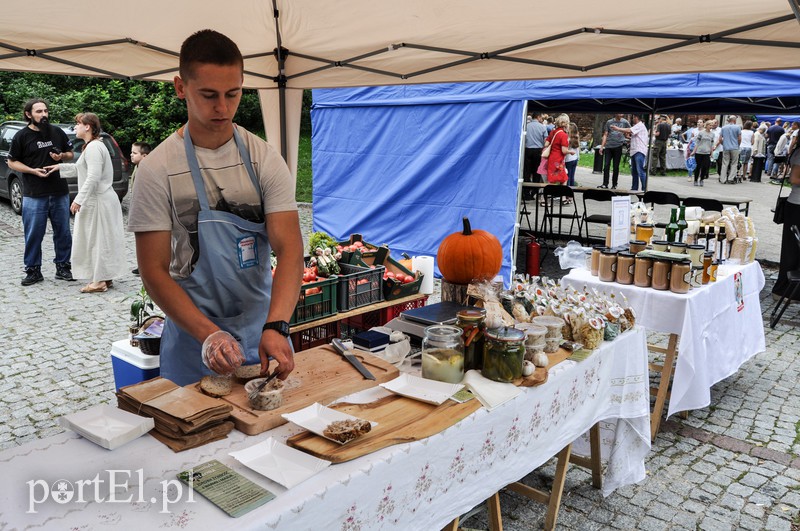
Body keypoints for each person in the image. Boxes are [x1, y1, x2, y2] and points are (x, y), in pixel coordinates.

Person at [128, 29, 304, 386]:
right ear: (181, 88)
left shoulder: (264, 159)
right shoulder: (156, 170)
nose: (222, 107)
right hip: (193, 345)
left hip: (263, 336)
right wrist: (209, 335)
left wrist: (277, 324)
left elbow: (290, 250)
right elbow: (154, 270)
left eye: (233, 93)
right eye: (208, 95)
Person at [45, 113, 126, 293]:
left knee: (97, 239)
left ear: (88, 126)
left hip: (98, 200)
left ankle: (99, 282)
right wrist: (60, 167)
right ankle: (105, 277)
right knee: (101, 239)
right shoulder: (92, 146)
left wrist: (78, 200)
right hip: (101, 199)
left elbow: (93, 176)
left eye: (78, 124)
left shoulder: (94, 147)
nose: (75, 128)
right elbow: (82, 168)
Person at [7, 98, 75, 286]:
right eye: (39, 112)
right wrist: (32, 170)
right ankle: (33, 270)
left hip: (59, 191)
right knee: (34, 233)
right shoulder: (21, 136)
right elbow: (12, 162)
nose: (44, 114)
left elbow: (70, 154)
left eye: (45, 111)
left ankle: (63, 267)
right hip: (33, 193)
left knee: (63, 232)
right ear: (29, 114)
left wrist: (61, 156)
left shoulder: (57, 132)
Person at [772, 146, 800, 303]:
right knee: (792, 250)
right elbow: (794, 179)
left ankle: (792, 291)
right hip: (797, 206)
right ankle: (784, 290)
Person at [129, 141, 151, 276]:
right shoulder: (138, 167)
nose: (131, 155)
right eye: (131, 152)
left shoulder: (147, 170)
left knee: (148, 239)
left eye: (134, 153)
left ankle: (148, 265)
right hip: (139, 208)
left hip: (147, 209)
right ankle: (143, 264)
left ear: (145, 156)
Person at [611, 114, 648, 191]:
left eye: (633, 117)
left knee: (640, 170)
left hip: (639, 150)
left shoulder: (640, 125)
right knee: (634, 171)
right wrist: (630, 138)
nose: (632, 119)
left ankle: (644, 189)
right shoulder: (638, 126)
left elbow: (629, 130)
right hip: (634, 151)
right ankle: (634, 188)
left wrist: (617, 128)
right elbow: (637, 137)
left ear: (636, 117)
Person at [599, 113, 630, 189]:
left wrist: (628, 138)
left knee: (616, 166)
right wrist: (602, 147)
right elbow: (605, 134)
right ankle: (605, 183)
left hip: (618, 146)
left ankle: (614, 184)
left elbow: (629, 131)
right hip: (609, 146)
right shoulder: (609, 122)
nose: (621, 114)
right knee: (606, 165)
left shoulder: (625, 122)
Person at [544, 113, 570, 187]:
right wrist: (570, 152)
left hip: (551, 158)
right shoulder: (563, 135)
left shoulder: (553, 132)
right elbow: (564, 151)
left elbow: (546, 144)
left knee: (551, 179)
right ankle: (563, 196)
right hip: (558, 159)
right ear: (565, 124)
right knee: (564, 178)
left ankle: (545, 196)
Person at [523, 112, 547, 189]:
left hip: (527, 150)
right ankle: (535, 190)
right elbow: (546, 140)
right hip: (538, 151)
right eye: (541, 118)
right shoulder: (543, 127)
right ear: (538, 117)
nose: (542, 119)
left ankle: (526, 192)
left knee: (527, 171)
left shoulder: (526, 126)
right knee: (537, 171)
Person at [714, 116, 741, 184]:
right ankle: (730, 178)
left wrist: (724, 144)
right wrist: (738, 145)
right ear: (734, 120)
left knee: (725, 163)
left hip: (726, 148)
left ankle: (723, 179)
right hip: (735, 147)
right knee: (734, 163)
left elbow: (720, 139)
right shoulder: (737, 127)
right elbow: (739, 138)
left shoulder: (723, 127)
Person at [690, 121, 715, 186]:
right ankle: (695, 180)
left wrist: (712, 153)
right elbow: (697, 143)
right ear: (706, 125)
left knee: (705, 167)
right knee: (698, 166)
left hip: (707, 153)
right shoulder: (701, 133)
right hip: (699, 152)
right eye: (710, 125)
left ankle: (701, 179)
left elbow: (711, 144)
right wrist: (694, 151)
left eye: (712, 126)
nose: (711, 127)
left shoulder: (712, 134)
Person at [564, 122, 580, 187]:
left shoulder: (568, 139)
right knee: (572, 176)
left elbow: (565, 150)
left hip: (568, 159)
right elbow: (577, 149)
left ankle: (567, 192)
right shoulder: (576, 138)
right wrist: (578, 158)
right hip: (575, 159)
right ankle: (572, 190)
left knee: (567, 176)